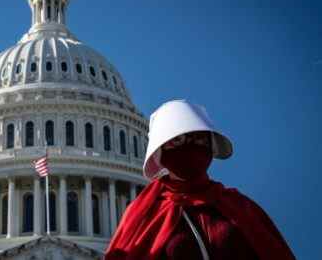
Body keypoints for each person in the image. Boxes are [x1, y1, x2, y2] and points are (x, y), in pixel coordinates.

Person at [105, 99, 295, 260]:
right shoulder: (144, 214)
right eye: (178, 140)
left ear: (211, 147)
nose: (192, 146)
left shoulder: (239, 206)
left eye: (200, 139)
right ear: (161, 151)